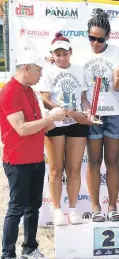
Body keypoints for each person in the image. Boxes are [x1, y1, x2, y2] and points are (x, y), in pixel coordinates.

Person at [0, 49, 66, 259]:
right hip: (18, 160)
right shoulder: (9, 92)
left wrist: (66, 116)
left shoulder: (29, 91)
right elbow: (22, 128)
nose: (40, 74)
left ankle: (29, 248)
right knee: (17, 208)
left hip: (36, 158)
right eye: (38, 70)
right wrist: (50, 119)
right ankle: (7, 254)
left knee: (33, 207)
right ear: (26, 68)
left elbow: (40, 126)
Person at [39, 33, 92, 226]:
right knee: (55, 169)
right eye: (58, 54)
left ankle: (72, 209)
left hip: (76, 122)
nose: (61, 57)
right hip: (55, 122)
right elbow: (45, 100)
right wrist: (65, 112)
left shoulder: (80, 70)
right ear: (52, 55)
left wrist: (88, 113)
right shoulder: (48, 72)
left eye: (65, 53)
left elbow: (84, 98)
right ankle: (57, 210)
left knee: (74, 167)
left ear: (71, 52)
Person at [82, 9, 119, 222]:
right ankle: (95, 207)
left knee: (112, 161)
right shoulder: (82, 56)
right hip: (93, 116)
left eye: (99, 39)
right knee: (93, 161)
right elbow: (82, 92)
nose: (95, 43)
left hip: (115, 115)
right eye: (91, 38)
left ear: (107, 37)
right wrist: (86, 112)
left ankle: (112, 206)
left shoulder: (118, 53)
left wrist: (118, 79)